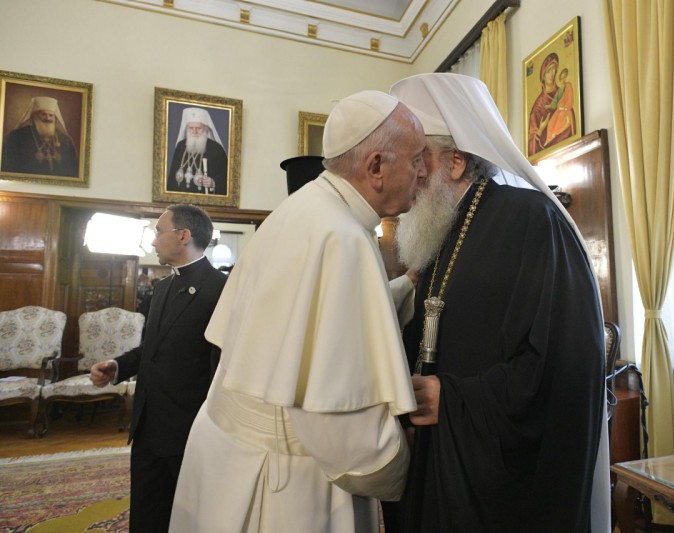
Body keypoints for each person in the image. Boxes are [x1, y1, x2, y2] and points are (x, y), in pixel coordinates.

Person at [169, 90, 428, 532]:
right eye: (416, 160)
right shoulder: (341, 236)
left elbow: (321, 317)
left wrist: (406, 287)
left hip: (228, 452)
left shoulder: (306, 209)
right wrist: (407, 466)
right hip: (284, 483)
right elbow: (344, 431)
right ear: (376, 167)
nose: (423, 173)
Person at [386, 73, 610, 532]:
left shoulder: (534, 221)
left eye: (417, 159)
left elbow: (565, 366)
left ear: (455, 162)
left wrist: (453, 399)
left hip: (499, 484)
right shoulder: (438, 232)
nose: (409, 174)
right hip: (437, 457)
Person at [89, 204, 227, 533]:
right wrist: (117, 366)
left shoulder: (221, 290)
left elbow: (223, 365)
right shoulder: (162, 287)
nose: (153, 241)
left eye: (158, 232)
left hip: (189, 430)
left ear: (183, 236)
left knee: (194, 520)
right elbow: (151, 348)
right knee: (147, 514)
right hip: (148, 424)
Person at [1, 96, 79, 176]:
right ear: (34, 116)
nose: (47, 118)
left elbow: (73, 168)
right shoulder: (16, 136)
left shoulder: (65, 140)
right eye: (43, 114)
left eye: (51, 115)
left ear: (55, 118)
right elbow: (8, 166)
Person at [166, 107, 228, 195]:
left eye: (199, 128)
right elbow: (172, 179)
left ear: (206, 129)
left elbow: (226, 181)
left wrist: (213, 183)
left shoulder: (216, 149)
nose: (194, 132)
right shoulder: (180, 146)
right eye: (191, 128)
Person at [528, 52, 574, 156]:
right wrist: (540, 129)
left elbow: (570, 109)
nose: (552, 74)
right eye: (548, 71)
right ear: (543, 76)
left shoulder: (563, 91)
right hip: (549, 155)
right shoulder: (538, 106)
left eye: (554, 69)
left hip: (568, 149)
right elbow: (531, 146)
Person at [544, 67, 576, 146]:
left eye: (564, 78)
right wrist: (552, 106)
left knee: (561, 118)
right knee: (551, 122)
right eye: (561, 79)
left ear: (566, 77)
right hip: (559, 109)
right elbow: (556, 99)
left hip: (566, 110)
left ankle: (555, 134)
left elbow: (570, 99)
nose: (562, 80)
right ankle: (548, 139)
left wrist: (564, 108)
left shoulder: (568, 85)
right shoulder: (560, 89)